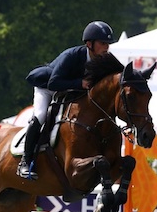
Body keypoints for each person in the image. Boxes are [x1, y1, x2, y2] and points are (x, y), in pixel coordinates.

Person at [17, 20, 115, 179]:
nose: (106, 47)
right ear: (89, 44)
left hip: (71, 92)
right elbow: (54, 83)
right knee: (40, 116)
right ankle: (25, 161)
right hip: (48, 88)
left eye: (108, 44)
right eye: (103, 43)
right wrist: (80, 83)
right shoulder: (72, 56)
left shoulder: (104, 60)